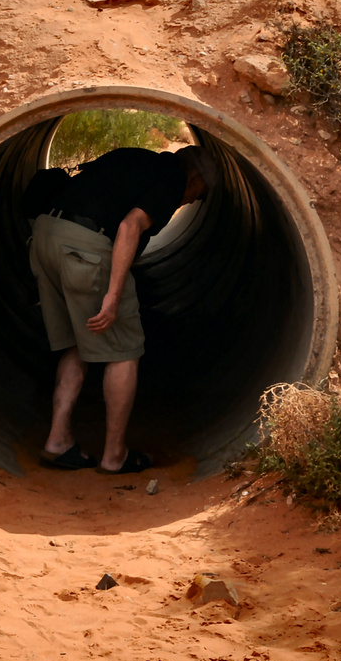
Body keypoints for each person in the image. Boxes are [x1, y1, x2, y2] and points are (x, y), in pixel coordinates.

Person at [27, 144, 214, 473]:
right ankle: (115, 456)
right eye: (199, 194)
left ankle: (58, 442)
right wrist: (113, 296)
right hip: (86, 249)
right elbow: (129, 227)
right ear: (196, 179)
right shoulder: (172, 179)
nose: (191, 201)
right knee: (123, 351)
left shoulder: (133, 157)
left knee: (75, 341)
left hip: (45, 235)